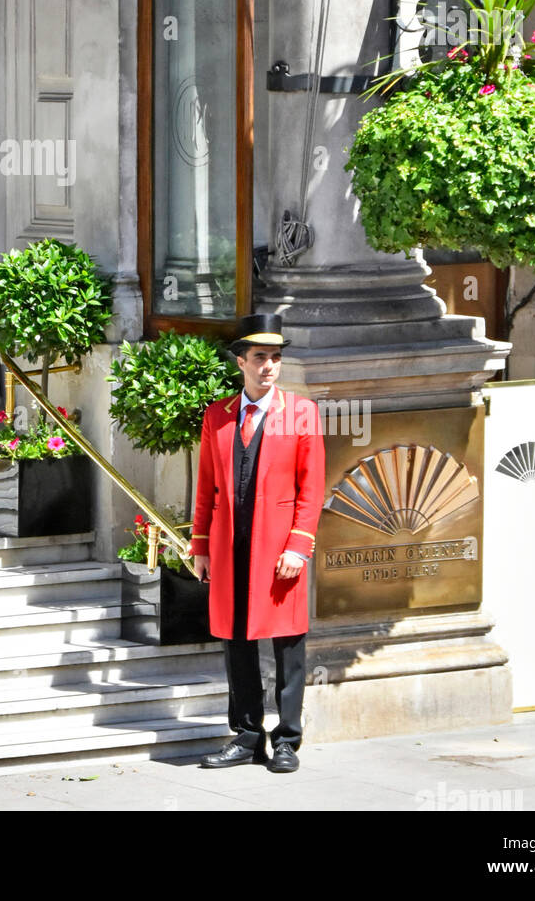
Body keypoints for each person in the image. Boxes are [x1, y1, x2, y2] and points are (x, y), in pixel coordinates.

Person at [191, 314, 325, 773]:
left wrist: (298, 545)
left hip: (281, 547)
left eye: (276, 358)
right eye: (261, 358)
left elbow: (312, 489)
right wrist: (201, 546)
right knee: (236, 641)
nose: (270, 366)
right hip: (231, 546)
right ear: (241, 362)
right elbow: (206, 485)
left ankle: (287, 740)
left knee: (289, 644)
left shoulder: (301, 412)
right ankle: (247, 736)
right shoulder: (218, 415)